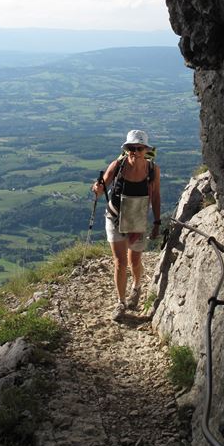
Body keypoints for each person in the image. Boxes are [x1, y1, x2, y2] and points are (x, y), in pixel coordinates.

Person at [92, 129, 161, 322]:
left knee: (135, 261)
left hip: (137, 220)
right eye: (131, 148)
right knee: (120, 262)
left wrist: (157, 222)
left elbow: (156, 196)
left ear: (146, 150)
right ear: (126, 148)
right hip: (114, 217)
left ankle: (136, 287)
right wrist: (97, 188)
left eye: (139, 148)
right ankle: (121, 303)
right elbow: (102, 186)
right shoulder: (118, 165)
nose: (134, 152)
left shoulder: (152, 170)